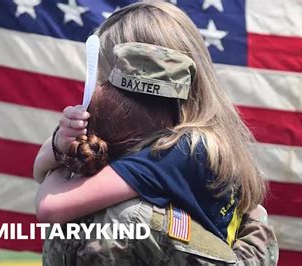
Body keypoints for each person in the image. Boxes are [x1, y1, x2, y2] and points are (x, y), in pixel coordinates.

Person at [33, 2, 278, 265]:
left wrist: (67, 157)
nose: (98, 88)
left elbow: (52, 206)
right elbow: (39, 169)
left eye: (105, 78)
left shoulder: (177, 152)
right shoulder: (196, 138)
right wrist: (63, 143)